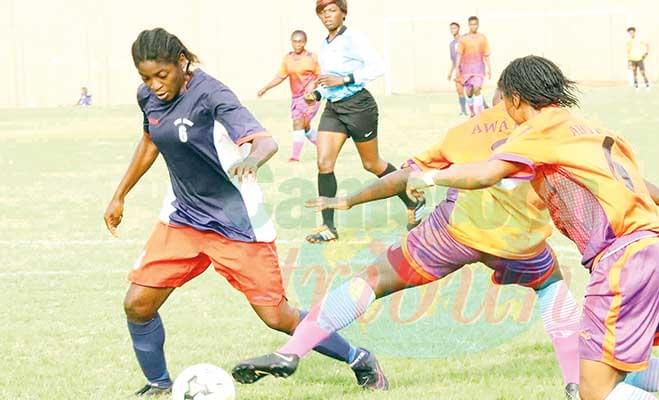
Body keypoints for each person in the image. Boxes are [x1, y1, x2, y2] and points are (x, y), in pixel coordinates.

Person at [229, 90, 659, 400]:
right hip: (521, 243)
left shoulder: (464, 131)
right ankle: (569, 381)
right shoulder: (549, 130)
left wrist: (349, 202)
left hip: (455, 233)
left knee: (372, 280)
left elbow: (409, 175)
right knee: (551, 287)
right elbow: (616, 176)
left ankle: (293, 351)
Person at [404, 55, 659, 400]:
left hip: (623, 257)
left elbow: (487, 173)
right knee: (617, 371)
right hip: (651, 248)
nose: (503, 111)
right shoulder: (584, 128)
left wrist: (431, 178)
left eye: (504, 102)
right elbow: (632, 180)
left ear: (517, 99)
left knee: (593, 390)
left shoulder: (536, 130)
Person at [103, 27, 386, 397]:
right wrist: (119, 195)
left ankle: (358, 357)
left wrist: (252, 159)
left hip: (236, 223)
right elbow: (149, 141)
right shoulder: (149, 98)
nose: (155, 85)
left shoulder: (212, 95)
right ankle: (158, 384)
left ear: (182, 63)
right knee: (137, 304)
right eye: (146, 78)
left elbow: (265, 140)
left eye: (162, 75)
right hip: (183, 218)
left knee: (278, 317)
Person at [304, 0, 424, 243]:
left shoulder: (354, 39)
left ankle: (412, 199)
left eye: (332, 10)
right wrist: (317, 94)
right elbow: (329, 82)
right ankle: (328, 227)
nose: (327, 16)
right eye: (322, 12)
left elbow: (377, 67)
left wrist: (345, 79)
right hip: (334, 109)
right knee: (324, 163)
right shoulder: (323, 45)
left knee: (371, 163)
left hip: (359, 106)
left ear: (343, 13)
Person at [257, 30, 321, 162]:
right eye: (295, 41)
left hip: (310, 98)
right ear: (291, 42)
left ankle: (295, 157)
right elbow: (280, 76)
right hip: (296, 98)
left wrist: (312, 86)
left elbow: (319, 76)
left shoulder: (311, 57)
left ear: (305, 42)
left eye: (300, 41)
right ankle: (324, 147)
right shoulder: (288, 58)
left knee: (300, 123)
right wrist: (266, 88)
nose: (297, 44)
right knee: (304, 126)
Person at [452, 16, 491, 117]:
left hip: (479, 69)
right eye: (471, 24)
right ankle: (472, 112)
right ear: (469, 25)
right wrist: (457, 69)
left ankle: (479, 114)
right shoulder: (463, 39)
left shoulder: (482, 38)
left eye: (475, 24)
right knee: (469, 92)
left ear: (478, 25)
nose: (473, 26)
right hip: (466, 70)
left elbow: (486, 54)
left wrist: (489, 69)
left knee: (477, 88)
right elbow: (459, 55)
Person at [447, 22, 467, 116]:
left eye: (454, 28)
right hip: (458, 71)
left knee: (472, 90)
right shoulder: (451, 44)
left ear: (458, 29)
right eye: (451, 28)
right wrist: (450, 72)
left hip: (467, 69)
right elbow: (454, 61)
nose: (453, 30)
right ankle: (463, 110)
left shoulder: (464, 40)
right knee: (459, 90)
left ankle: (483, 107)